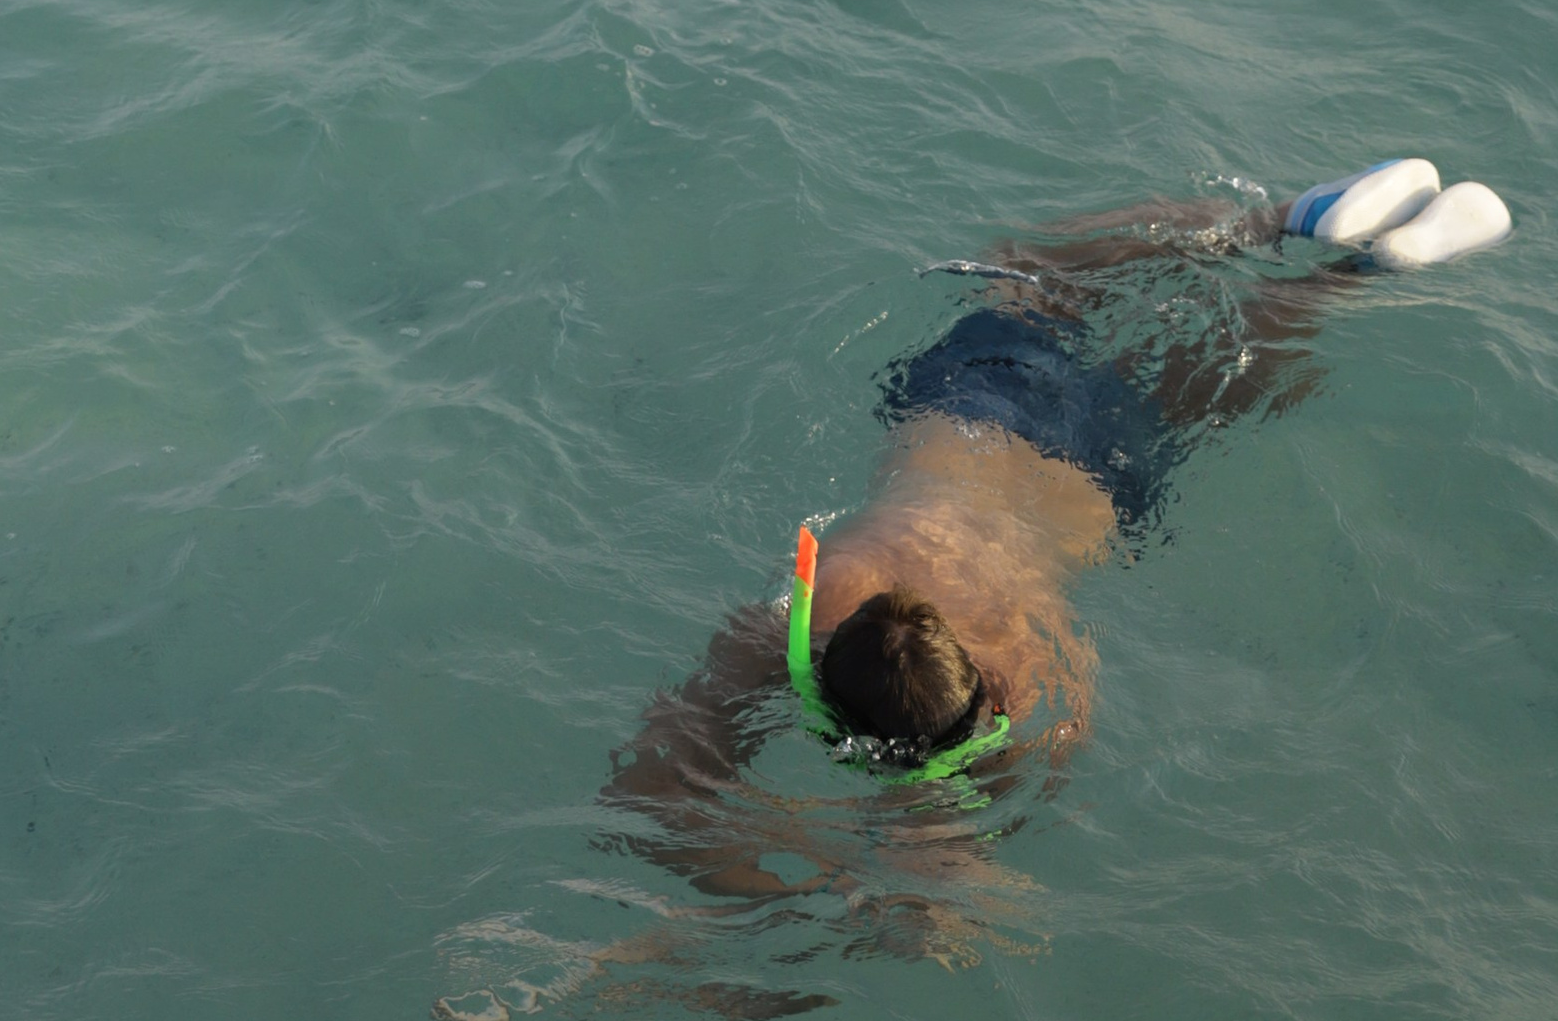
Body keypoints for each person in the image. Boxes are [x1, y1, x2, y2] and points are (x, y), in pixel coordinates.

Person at [607, 160, 1506, 891]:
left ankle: (1358, 276)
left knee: (1224, 374)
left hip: (1107, 482)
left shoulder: (1041, 675)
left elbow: (659, 786)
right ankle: (1291, 217)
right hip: (973, 409)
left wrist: (844, 871)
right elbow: (657, 775)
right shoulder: (818, 595)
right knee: (1029, 269)